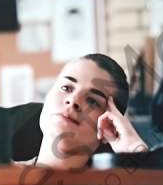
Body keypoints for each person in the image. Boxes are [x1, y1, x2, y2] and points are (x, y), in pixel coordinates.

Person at [16, 53, 148, 169]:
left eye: (92, 101)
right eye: (66, 88)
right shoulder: (4, 175)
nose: (73, 100)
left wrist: (134, 149)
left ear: (110, 125)